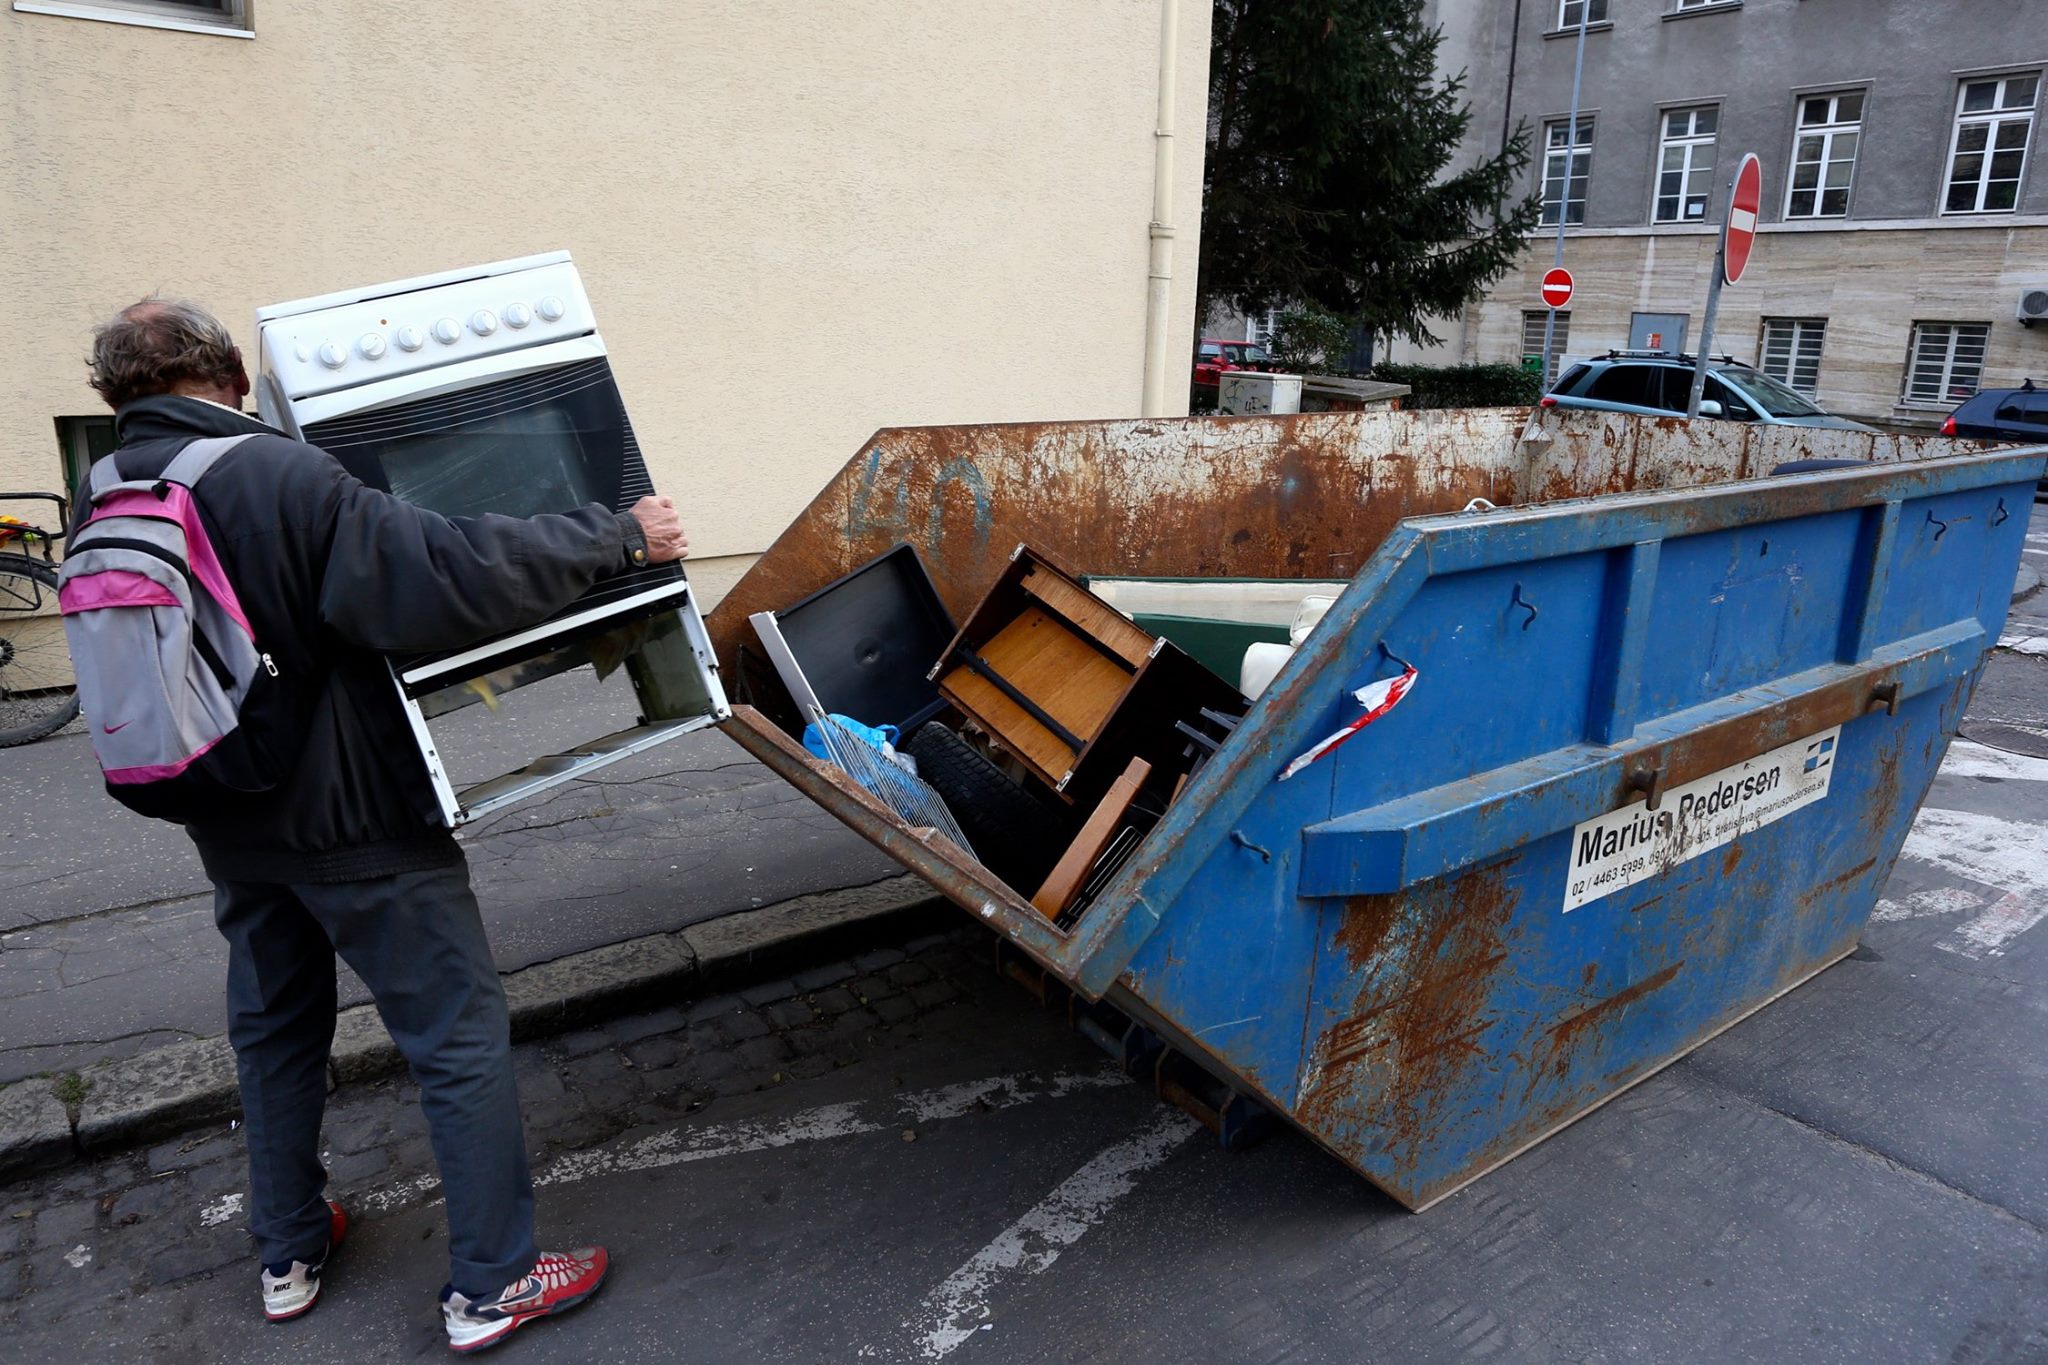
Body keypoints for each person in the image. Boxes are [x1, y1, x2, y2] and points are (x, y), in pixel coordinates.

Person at [80, 298, 687, 1353]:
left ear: (113, 397)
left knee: (273, 1035)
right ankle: (494, 1282)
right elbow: (442, 576)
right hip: (354, 819)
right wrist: (618, 535)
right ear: (228, 374)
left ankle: (288, 1249)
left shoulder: (107, 493)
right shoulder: (278, 475)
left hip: (226, 817)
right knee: (454, 1038)